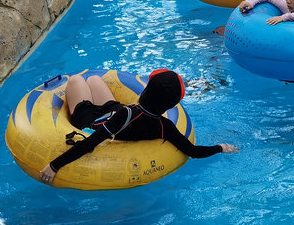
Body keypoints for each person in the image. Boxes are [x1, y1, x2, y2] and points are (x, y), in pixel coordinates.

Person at [38, 70, 238, 183]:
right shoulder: (164, 126)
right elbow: (193, 151)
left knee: (77, 80)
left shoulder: (129, 113)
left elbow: (91, 142)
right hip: (115, 111)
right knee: (94, 80)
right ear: (170, 105)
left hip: (91, 120)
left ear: (147, 90)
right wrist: (220, 147)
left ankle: (80, 91)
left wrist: (54, 166)